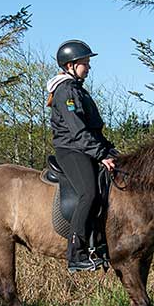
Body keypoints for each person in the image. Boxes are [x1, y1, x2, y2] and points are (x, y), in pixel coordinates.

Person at [47, 39, 118, 272]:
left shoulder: (77, 89)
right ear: (70, 66)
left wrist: (109, 150)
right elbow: (78, 130)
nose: (88, 67)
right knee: (89, 192)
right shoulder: (66, 90)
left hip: (86, 147)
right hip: (72, 150)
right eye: (85, 63)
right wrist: (100, 154)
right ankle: (76, 254)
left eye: (88, 63)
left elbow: (93, 129)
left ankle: (99, 244)